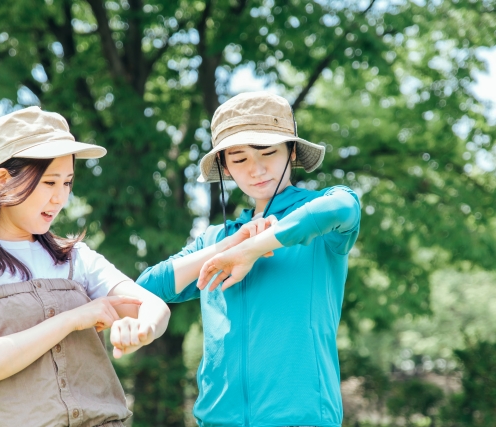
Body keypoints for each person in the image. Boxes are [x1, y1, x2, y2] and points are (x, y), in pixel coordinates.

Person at [0, 106, 170, 426]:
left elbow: (153, 307)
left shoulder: (75, 257)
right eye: (49, 182)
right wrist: (74, 318)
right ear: (3, 180)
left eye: (67, 182)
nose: (60, 198)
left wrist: (141, 329)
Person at [137, 91, 361, 427]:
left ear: (292, 152)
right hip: (216, 420)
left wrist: (253, 249)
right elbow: (145, 290)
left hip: (299, 419)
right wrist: (228, 247)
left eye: (268, 152)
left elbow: (344, 206)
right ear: (225, 167)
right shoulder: (215, 238)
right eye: (239, 159)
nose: (256, 169)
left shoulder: (321, 225)